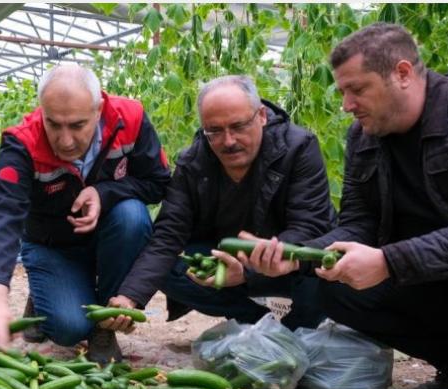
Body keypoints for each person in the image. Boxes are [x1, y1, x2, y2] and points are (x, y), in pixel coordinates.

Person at [248, 23, 448, 389]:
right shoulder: (364, 137)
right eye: (342, 92)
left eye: (357, 89)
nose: (346, 104)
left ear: (402, 73)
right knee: (334, 285)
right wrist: (294, 256)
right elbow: (358, 224)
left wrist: (390, 261)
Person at [0, 63, 171, 362]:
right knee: (69, 329)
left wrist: (104, 192)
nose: (66, 140)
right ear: (42, 111)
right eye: (54, 124)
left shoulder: (129, 120)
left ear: (98, 110)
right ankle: (46, 289)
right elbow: (1, 213)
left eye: (77, 125)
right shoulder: (23, 143)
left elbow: (159, 182)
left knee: (132, 217)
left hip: (108, 239)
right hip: (51, 246)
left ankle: (102, 328)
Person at [105, 76, 336, 331]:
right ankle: (256, 317)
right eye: (214, 131)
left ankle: (283, 317)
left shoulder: (298, 148)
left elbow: (310, 226)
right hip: (225, 265)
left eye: (238, 126)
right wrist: (130, 296)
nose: (228, 141)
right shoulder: (193, 161)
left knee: (314, 283)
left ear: (261, 116)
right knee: (169, 268)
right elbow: (169, 233)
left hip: (283, 265)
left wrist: (249, 270)